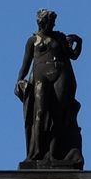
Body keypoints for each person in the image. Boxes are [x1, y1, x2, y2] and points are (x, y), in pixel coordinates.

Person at [15, 9, 84, 170]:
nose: (52, 25)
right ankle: (36, 153)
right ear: (41, 22)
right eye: (49, 22)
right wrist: (19, 81)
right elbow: (25, 65)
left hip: (61, 73)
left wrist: (78, 42)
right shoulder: (33, 40)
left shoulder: (59, 37)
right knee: (39, 113)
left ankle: (54, 153)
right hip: (40, 75)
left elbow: (72, 55)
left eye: (53, 23)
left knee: (59, 114)